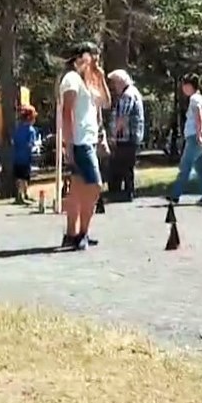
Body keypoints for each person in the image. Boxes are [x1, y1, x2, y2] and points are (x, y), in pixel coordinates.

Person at [59, 42, 111, 249]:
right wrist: (69, 144)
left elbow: (106, 102)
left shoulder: (89, 81)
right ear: (80, 57)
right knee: (95, 185)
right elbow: (67, 112)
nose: (96, 61)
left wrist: (100, 76)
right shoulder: (71, 79)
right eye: (93, 57)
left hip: (89, 139)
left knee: (79, 190)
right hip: (80, 141)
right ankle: (82, 233)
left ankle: (71, 234)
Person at [167, 73, 202, 206]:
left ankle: (175, 195)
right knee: (201, 168)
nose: (183, 88)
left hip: (195, 136)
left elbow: (198, 115)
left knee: (185, 165)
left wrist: (198, 134)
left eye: (184, 85)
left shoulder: (194, 99)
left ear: (190, 86)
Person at [106, 69, 144, 202]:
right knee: (127, 166)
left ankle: (123, 193)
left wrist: (114, 135)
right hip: (132, 136)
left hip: (126, 136)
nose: (114, 87)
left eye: (115, 83)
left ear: (120, 82)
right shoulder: (134, 92)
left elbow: (122, 118)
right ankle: (127, 192)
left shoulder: (127, 95)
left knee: (121, 165)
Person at [11, 106, 39, 204]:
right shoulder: (31, 130)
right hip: (26, 157)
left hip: (16, 157)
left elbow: (13, 141)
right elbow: (30, 144)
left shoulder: (18, 129)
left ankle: (24, 194)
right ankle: (21, 195)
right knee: (24, 177)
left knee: (20, 177)